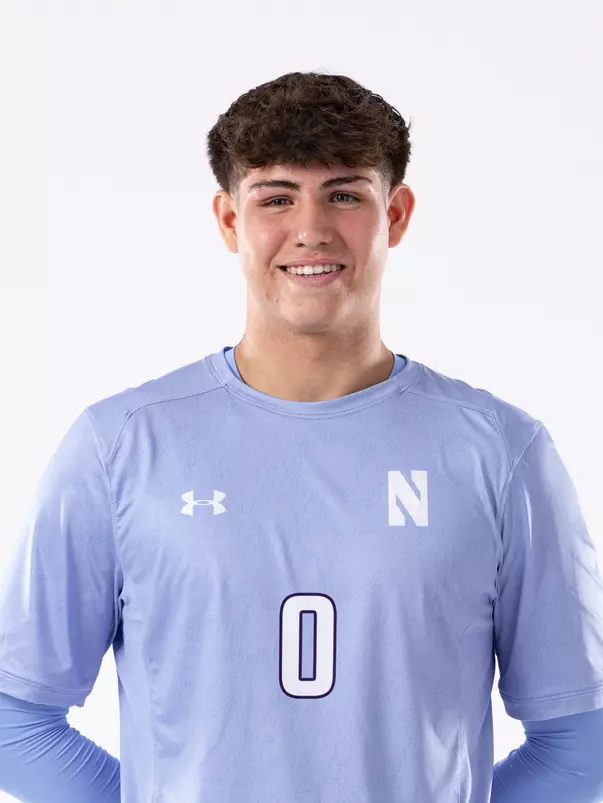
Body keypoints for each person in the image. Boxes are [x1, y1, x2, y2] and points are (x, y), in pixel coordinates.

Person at [1, 70, 603, 803]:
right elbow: (14, 720)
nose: (310, 229)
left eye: (344, 195)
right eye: (276, 198)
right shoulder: (119, 446)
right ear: (229, 220)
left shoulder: (500, 452)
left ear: (396, 214)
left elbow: (581, 744)